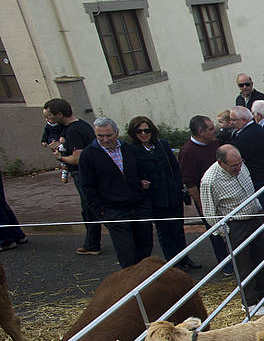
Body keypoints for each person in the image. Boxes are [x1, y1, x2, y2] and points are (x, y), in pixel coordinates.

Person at [200, 145, 264, 316]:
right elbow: (209, 212)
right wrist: (227, 232)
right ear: (221, 163)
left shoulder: (241, 165)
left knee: (260, 256)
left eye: (240, 163)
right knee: (243, 263)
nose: (239, 168)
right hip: (236, 223)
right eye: (234, 166)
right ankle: (249, 302)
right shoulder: (209, 180)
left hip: (254, 216)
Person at [78, 117, 153, 269]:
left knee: (145, 247)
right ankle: (131, 286)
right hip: (114, 211)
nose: (105, 139)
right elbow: (87, 187)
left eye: (109, 135)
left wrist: (141, 188)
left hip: (139, 207)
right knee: (126, 252)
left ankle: (146, 282)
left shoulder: (128, 149)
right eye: (100, 136)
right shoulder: (88, 155)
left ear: (117, 133)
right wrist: (102, 212)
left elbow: (139, 173)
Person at [126, 116, 199, 270]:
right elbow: (131, 174)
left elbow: (175, 168)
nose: (144, 134)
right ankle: (173, 263)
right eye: (139, 131)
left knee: (178, 229)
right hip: (154, 198)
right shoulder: (132, 150)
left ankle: (184, 258)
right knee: (164, 232)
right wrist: (139, 182)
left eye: (147, 130)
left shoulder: (162, 145)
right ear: (134, 133)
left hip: (172, 195)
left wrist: (178, 186)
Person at [44, 98, 99, 255]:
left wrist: (60, 157)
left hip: (83, 174)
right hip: (87, 173)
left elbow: (77, 158)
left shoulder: (73, 131)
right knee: (88, 208)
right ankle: (92, 244)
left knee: (92, 207)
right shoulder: (80, 125)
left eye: (50, 117)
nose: (49, 121)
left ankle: (100, 241)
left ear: (60, 114)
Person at [179, 115, 231, 271]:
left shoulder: (216, 144)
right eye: (210, 129)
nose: (214, 130)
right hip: (206, 198)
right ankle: (226, 264)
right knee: (215, 232)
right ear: (200, 132)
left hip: (224, 194)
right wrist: (202, 204)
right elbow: (189, 183)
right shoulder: (187, 151)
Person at [230, 106, 264, 191]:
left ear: (243, 120)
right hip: (262, 173)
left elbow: (241, 154)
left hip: (256, 176)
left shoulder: (247, 135)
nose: (231, 123)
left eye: (233, 120)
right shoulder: (256, 128)